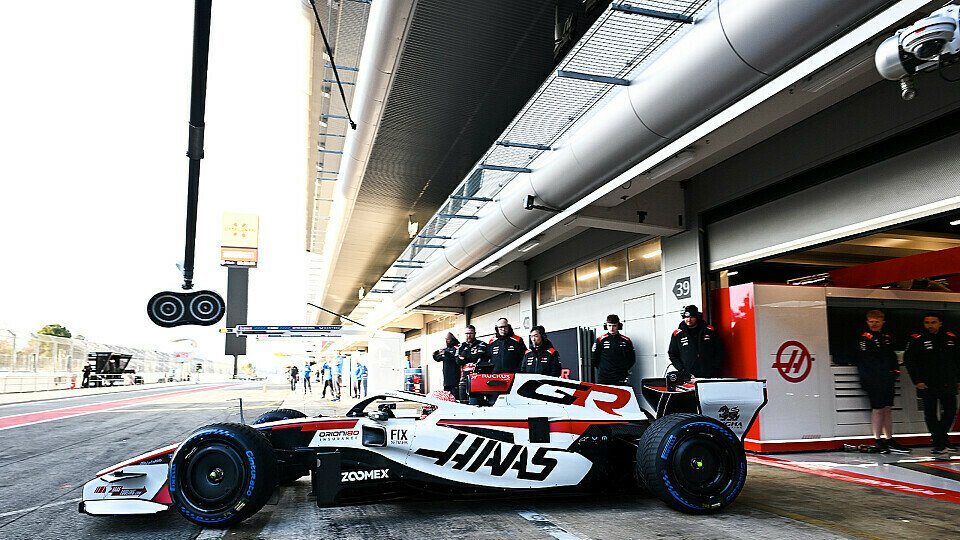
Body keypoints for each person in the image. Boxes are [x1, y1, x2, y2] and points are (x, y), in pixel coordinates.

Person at [904, 313, 960, 454]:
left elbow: (958, 360)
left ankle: (940, 438)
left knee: (950, 411)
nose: (930, 325)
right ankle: (939, 443)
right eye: (927, 322)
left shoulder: (950, 338)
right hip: (927, 382)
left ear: (940, 323)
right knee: (930, 413)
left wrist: (958, 379)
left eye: (933, 322)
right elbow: (910, 361)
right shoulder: (917, 339)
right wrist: (917, 380)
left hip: (948, 381)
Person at [856, 310, 909, 453]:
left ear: (882, 322)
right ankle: (878, 440)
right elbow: (867, 360)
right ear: (867, 322)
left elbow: (892, 356)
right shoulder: (864, 338)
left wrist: (895, 371)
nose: (874, 324)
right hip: (873, 379)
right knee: (878, 408)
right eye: (871, 321)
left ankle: (889, 439)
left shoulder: (886, 337)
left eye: (877, 321)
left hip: (887, 378)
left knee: (887, 408)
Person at [668, 305, 724, 380]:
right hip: (689, 376)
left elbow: (719, 350)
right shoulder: (678, 334)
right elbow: (673, 354)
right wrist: (682, 370)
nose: (689, 320)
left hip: (709, 375)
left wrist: (714, 367)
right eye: (686, 317)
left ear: (697, 317)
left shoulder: (709, 331)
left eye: (691, 317)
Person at [592, 314, 635, 385]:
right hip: (604, 377)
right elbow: (594, 359)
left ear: (619, 326)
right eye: (609, 325)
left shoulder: (626, 340)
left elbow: (632, 359)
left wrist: (623, 369)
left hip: (621, 376)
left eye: (614, 326)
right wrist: (604, 369)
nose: (611, 328)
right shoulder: (600, 340)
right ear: (606, 326)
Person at [457, 324, 489, 402]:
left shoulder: (482, 344)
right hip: (463, 381)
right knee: (462, 404)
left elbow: (479, 357)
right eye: (467, 333)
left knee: (476, 404)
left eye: (471, 333)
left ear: (475, 333)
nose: (468, 336)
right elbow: (458, 361)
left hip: (477, 380)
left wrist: (465, 357)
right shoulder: (461, 346)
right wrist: (472, 356)